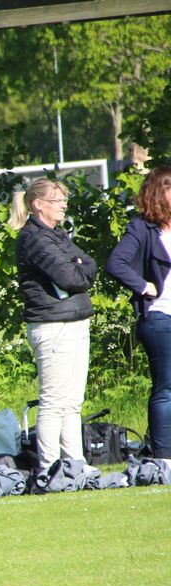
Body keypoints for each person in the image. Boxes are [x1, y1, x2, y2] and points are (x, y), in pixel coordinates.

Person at [8, 178, 97, 469]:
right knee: (53, 401)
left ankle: (75, 464)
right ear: (38, 205)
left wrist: (80, 268)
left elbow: (90, 264)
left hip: (74, 321)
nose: (63, 206)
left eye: (64, 200)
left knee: (72, 401)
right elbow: (71, 277)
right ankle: (49, 467)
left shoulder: (56, 235)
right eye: (58, 201)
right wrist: (78, 269)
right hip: (52, 326)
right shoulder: (34, 239)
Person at [105, 165, 171, 464]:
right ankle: (164, 457)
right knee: (166, 388)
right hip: (160, 317)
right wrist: (143, 286)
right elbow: (116, 263)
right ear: (159, 192)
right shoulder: (142, 228)